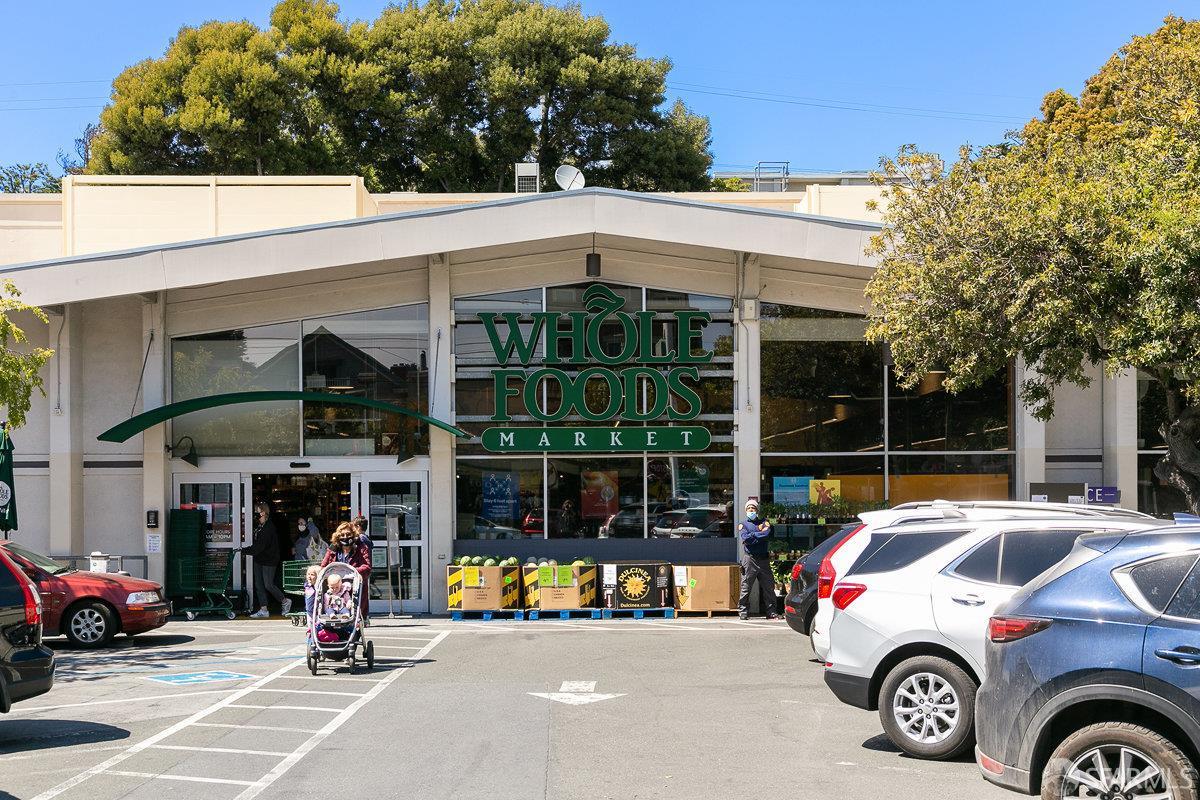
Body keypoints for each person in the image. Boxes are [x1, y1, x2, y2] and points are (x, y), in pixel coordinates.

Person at [247, 502, 292, 619]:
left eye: (257, 511)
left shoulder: (269, 527)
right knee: (259, 585)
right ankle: (264, 609)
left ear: (263, 512)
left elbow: (260, 546)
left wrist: (245, 550)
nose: (255, 514)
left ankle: (285, 601)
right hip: (259, 558)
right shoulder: (260, 526)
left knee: (268, 584)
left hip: (269, 559)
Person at [320, 522, 371, 619]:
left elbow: (367, 567)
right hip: (335, 588)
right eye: (342, 535)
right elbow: (323, 567)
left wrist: (352, 572)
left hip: (354, 587)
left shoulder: (361, 548)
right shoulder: (333, 550)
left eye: (348, 534)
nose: (345, 537)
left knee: (355, 614)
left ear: (353, 535)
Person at [737, 499, 778, 620]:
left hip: (764, 560)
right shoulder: (743, 524)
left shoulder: (765, 522)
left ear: (757, 510)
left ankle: (771, 612)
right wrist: (758, 534)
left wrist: (752, 536)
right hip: (750, 559)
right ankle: (743, 611)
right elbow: (745, 538)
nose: (751, 510)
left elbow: (766, 534)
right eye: (749, 508)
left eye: (753, 508)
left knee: (768, 587)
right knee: (746, 586)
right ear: (746, 510)